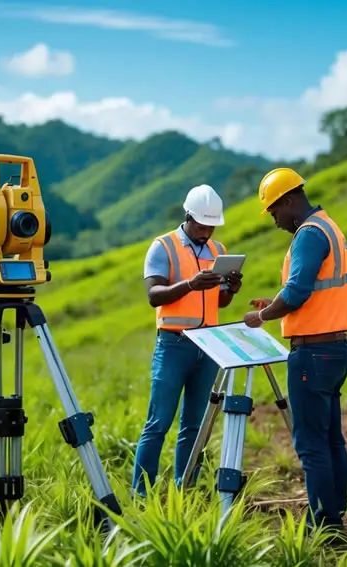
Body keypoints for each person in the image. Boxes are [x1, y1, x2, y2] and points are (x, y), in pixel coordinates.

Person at [242, 167, 347, 533]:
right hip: (335, 347)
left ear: (289, 201)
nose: (275, 220)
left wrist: (263, 315)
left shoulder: (308, 235)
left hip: (313, 352)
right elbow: (308, 291)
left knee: (311, 444)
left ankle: (325, 523)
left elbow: (296, 293)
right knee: (331, 437)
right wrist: (272, 303)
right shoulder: (329, 227)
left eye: (274, 212)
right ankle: (335, 511)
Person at [131, 184, 243, 497]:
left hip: (209, 346)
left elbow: (220, 303)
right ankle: (140, 495)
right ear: (188, 216)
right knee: (158, 423)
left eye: (212, 226)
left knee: (195, 427)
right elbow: (154, 296)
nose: (206, 231)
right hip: (174, 344)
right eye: (202, 225)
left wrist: (230, 288)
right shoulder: (162, 247)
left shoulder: (218, 251)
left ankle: (185, 492)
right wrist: (190, 285)